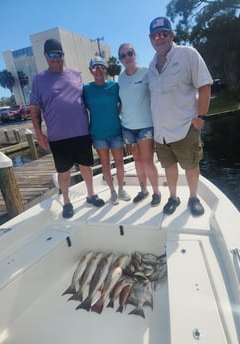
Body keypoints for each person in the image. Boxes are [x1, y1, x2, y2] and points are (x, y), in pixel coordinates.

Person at [30, 39, 104, 219]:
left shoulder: (75, 75)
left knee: (87, 166)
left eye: (59, 54)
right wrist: (39, 133)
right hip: (58, 137)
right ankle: (67, 202)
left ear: (63, 55)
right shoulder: (39, 79)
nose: (56, 58)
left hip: (81, 132)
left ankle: (91, 194)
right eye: (51, 55)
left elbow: (86, 101)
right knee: (64, 172)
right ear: (46, 57)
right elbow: (34, 110)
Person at [148, 17, 213, 216]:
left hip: (185, 128)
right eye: (155, 35)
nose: (159, 39)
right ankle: (173, 197)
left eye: (163, 34)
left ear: (171, 35)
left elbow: (204, 85)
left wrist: (201, 116)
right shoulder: (150, 66)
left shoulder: (188, 54)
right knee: (169, 167)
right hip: (161, 133)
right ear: (150, 39)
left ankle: (193, 198)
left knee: (191, 166)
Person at [118, 43, 161, 206]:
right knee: (137, 161)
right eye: (123, 55)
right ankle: (143, 190)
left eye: (129, 53)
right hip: (128, 126)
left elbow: (158, 91)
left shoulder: (146, 72)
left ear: (135, 54)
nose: (127, 57)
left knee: (147, 160)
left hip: (145, 126)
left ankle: (156, 192)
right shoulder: (120, 78)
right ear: (120, 60)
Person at [83, 56, 130, 205]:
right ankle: (112, 191)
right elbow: (85, 108)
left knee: (119, 163)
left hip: (115, 131)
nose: (98, 70)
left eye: (101, 67)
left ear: (105, 69)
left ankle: (121, 188)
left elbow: (121, 103)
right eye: (95, 67)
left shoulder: (114, 86)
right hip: (98, 135)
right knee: (105, 165)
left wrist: (115, 115)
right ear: (91, 70)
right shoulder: (86, 89)